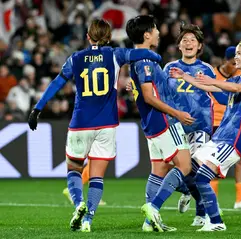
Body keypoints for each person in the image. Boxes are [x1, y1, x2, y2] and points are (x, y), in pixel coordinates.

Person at [27, 18, 161, 232]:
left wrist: (37, 109)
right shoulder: (115, 54)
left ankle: (78, 202)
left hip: (81, 123)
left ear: (88, 36)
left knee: (74, 169)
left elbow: (56, 83)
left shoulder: (76, 58)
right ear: (108, 37)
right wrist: (156, 55)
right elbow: (143, 54)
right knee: (97, 176)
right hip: (107, 125)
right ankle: (88, 220)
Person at [170, 39, 241, 231]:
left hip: (233, 140)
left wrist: (213, 80)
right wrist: (185, 77)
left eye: (239, 53)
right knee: (189, 172)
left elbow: (236, 89)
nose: (235, 57)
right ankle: (191, 197)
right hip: (220, 137)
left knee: (203, 178)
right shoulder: (238, 78)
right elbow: (214, 88)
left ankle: (216, 222)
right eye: (235, 53)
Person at [125, 15, 195, 233]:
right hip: (165, 121)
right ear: (146, 34)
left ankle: (149, 223)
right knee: (185, 166)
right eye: (155, 29)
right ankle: (153, 208)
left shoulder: (140, 60)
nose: (158, 32)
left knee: (158, 170)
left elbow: (143, 91)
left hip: (152, 124)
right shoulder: (145, 62)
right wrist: (177, 113)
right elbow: (148, 96)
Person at [163, 23, 220, 227]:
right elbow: (159, 94)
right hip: (175, 127)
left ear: (199, 47)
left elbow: (220, 95)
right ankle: (187, 192)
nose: (188, 43)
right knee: (174, 170)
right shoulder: (169, 68)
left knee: (195, 170)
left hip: (200, 126)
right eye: (184, 40)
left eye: (192, 41)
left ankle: (201, 213)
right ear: (179, 46)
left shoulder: (206, 69)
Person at [209, 46, 241, 210]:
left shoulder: (239, 76)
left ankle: (240, 200)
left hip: (233, 123)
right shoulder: (212, 75)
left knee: (240, 160)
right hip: (215, 123)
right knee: (212, 162)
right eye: (232, 62)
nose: (234, 65)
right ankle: (213, 202)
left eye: (236, 62)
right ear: (224, 61)